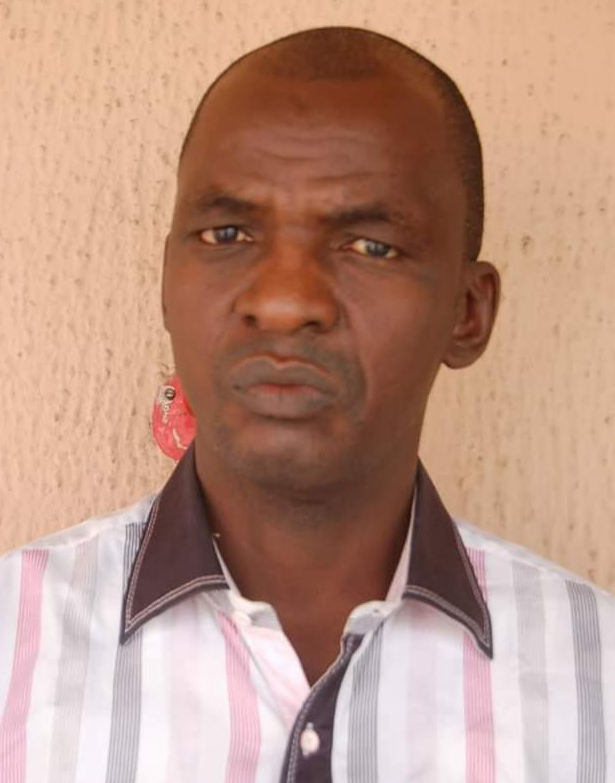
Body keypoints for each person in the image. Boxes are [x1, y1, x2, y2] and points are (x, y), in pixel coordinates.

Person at [0, 25, 612, 783]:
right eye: (227, 233)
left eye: (371, 247)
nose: (286, 301)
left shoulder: (597, 683)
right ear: (164, 282)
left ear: (467, 312)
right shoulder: (13, 645)